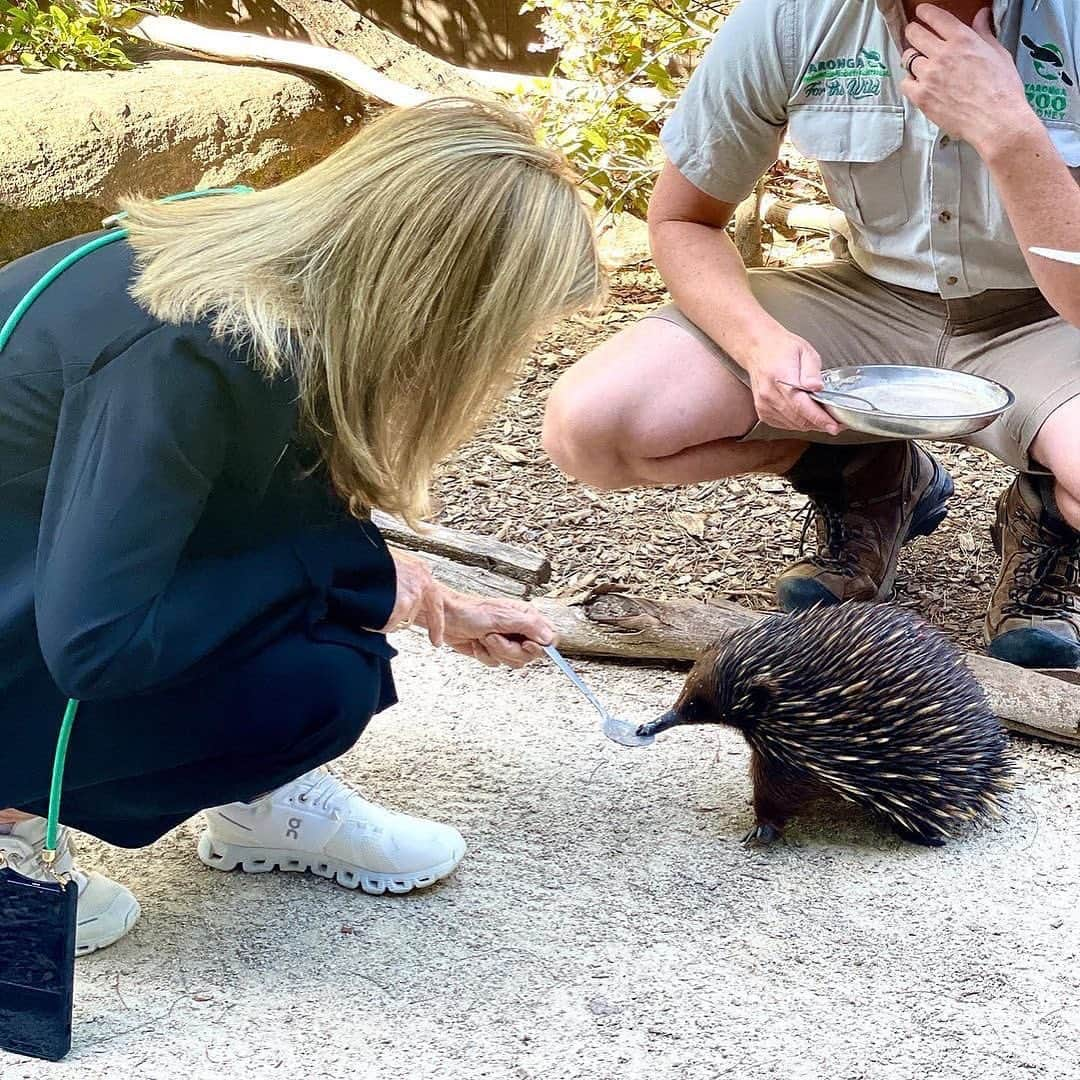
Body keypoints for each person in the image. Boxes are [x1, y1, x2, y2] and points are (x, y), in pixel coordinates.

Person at [0, 98, 604, 956]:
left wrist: (426, 596)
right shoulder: (185, 348)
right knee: (316, 683)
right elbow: (100, 645)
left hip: (29, 554)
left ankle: (254, 797)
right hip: (51, 603)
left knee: (331, 621)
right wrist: (332, 576)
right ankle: (8, 812)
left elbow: (255, 497)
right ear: (437, 297)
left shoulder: (258, 271)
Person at [544, 0, 1080, 671]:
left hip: (1049, 320)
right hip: (868, 298)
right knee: (591, 428)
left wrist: (1008, 131)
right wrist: (757, 345)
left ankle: (1049, 519)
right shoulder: (793, 16)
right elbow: (684, 220)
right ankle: (862, 472)